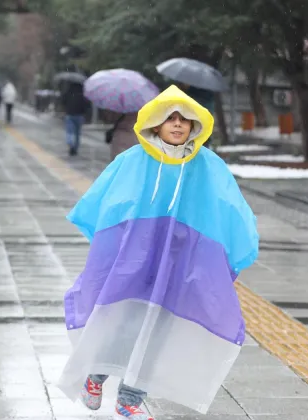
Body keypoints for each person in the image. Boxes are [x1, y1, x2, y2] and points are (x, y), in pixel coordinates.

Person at [57, 85, 260, 420]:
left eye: (184, 119)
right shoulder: (134, 160)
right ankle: (95, 377)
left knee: (159, 329)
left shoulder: (207, 166)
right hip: (134, 261)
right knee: (122, 320)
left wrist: (239, 240)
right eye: (170, 118)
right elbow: (109, 199)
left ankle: (130, 401)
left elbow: (230, 206)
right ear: (156, 124)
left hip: (180, 263)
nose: (178, 124)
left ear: (195, 126)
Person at [62, 83, 87, 156]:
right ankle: (75, 148)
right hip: (80, 115)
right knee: (77, 133)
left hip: (70, 114)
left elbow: (63, 101)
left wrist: (66, 107)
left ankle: (70, 144)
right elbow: (86, 104)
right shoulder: (82, 93)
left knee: (69, 131)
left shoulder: (68, 91)